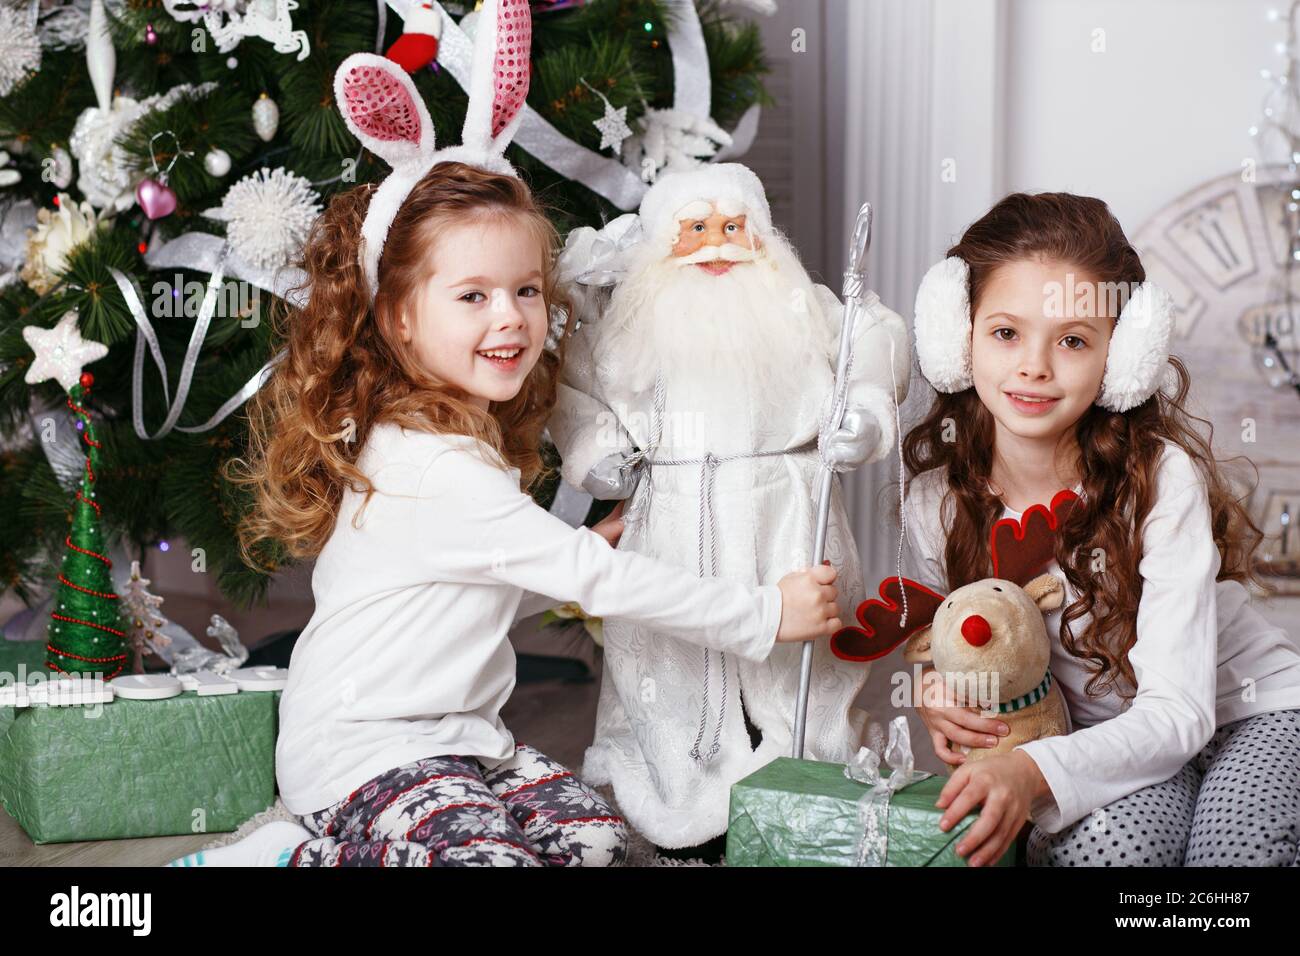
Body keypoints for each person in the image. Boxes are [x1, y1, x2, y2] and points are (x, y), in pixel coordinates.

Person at [164, 36, 841, 869]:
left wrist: (582, 544)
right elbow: (603, 586)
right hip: (362, 756)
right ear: (397, 317)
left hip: (464, 743)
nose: (512, 318)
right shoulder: (431, 465)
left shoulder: (451, 437)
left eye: (524, 289)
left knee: (594, 841)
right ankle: (283, 857)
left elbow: (465, 595)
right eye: (473, 296)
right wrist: (764, 615)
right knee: (491, 864)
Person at [901, 191, 1300, 867]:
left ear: (1122, 360)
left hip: (1245, 714)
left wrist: (1031, 773)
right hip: (1109, 738)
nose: (1034, 365)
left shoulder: (1159, 477)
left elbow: (1180, 713)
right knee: (1110, 853)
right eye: (1006, 333)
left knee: (1236, 854)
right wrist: (942, 692)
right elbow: (965, 642)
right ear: (957, 338)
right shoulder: (936, 501)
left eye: (1074, 340)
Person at [547, 164, 910, 859]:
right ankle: (680, 785)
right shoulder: (629, 324)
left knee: (795, 671)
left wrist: (861, 413)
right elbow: (577, 389)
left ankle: (805, 771)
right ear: (661, 243)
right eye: (695, 230)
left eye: (732, 228)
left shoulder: (803, 306)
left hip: (787, 513)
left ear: (761, 234)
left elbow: (877, 338)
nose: (716, 246)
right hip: (674, 522)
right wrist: (600, 451)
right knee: (673, 666)